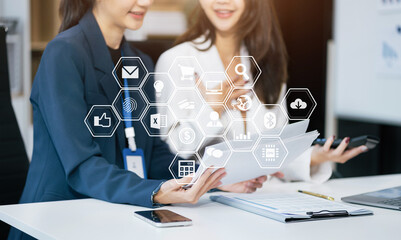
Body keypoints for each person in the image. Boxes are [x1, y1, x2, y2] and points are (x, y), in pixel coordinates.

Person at [8, 0, 273, 239]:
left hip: (113, 216)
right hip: (57, 219)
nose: (145, 2)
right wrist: (155, 191)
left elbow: (154, 154)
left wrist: (214, 180)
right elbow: (82, 166)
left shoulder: (140, 63)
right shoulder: (63, 53)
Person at [155, 0, 369, 184]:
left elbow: (273, 151)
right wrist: (213, 108)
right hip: (207, 206)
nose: (222, 1)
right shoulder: (177, 60)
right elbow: (171, 152)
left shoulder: (267, 63)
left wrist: (318, 156)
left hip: (264, 200)